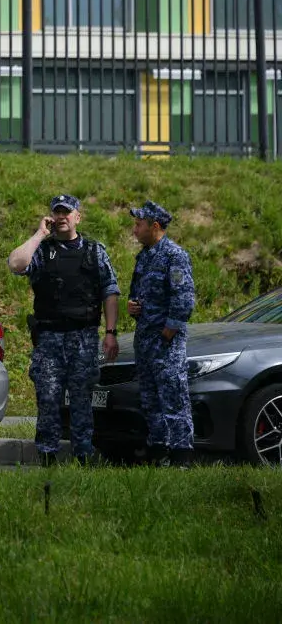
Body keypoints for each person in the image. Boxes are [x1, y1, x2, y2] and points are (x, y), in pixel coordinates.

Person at [9, 194, 120, 465]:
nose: (61, 217)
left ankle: (83, 456)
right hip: (49, 339)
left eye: (66, 212)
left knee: (82, 398)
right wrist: (38, 234)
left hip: (82, 337)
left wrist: (110, 332)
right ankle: (47, 456)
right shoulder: (43, 252)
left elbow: (110, 291)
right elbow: (16, 264)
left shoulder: (94, 252)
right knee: (48, 397)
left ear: (77, 217)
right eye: (56, 213)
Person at [127, 200, 196, 468]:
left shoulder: (174, 255)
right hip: (145, 340)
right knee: (150, 399)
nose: (135, 230)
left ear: (154, 226)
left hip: (166, 343)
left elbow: (184, 298)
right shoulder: (144, 256)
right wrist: (133, 306)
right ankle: (160, 453)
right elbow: (140, 293)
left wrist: (168, 331)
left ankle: (182, 456)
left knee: (174, 399)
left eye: (138, 224)